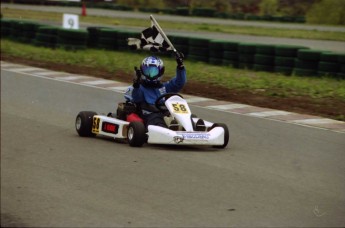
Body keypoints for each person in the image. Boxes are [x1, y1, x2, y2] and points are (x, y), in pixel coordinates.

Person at [128, 52, 186, 128]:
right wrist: (136, 85)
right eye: (148, 71)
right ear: (142, 71)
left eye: (154, 72)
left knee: (183, 117)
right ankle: (168, 131)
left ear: (161, 72)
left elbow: (179, 82)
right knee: (157, 119)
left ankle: (193, 127)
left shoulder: (165, 87)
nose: (151, 75)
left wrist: (180, 66)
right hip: (149, 116)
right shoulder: (140, 88)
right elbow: (136, 98)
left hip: (165, 114)